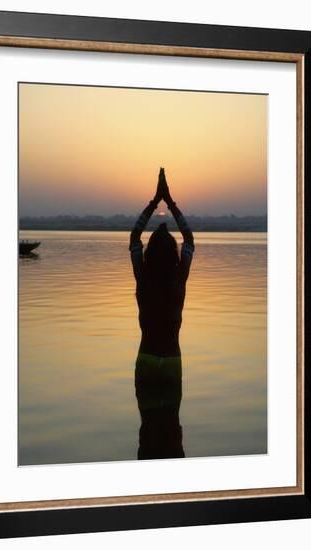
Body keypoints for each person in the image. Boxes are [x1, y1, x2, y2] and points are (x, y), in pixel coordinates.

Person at [129, 167, 194, 459]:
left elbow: (133, 239)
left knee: (147, 432)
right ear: (173, 256)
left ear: (150, 254)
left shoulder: (143, 278)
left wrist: (156, 201)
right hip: (170, 362)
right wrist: (171, 201)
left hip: (146, 360)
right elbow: (190, 241)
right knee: (172, 431)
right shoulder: (177, 280)